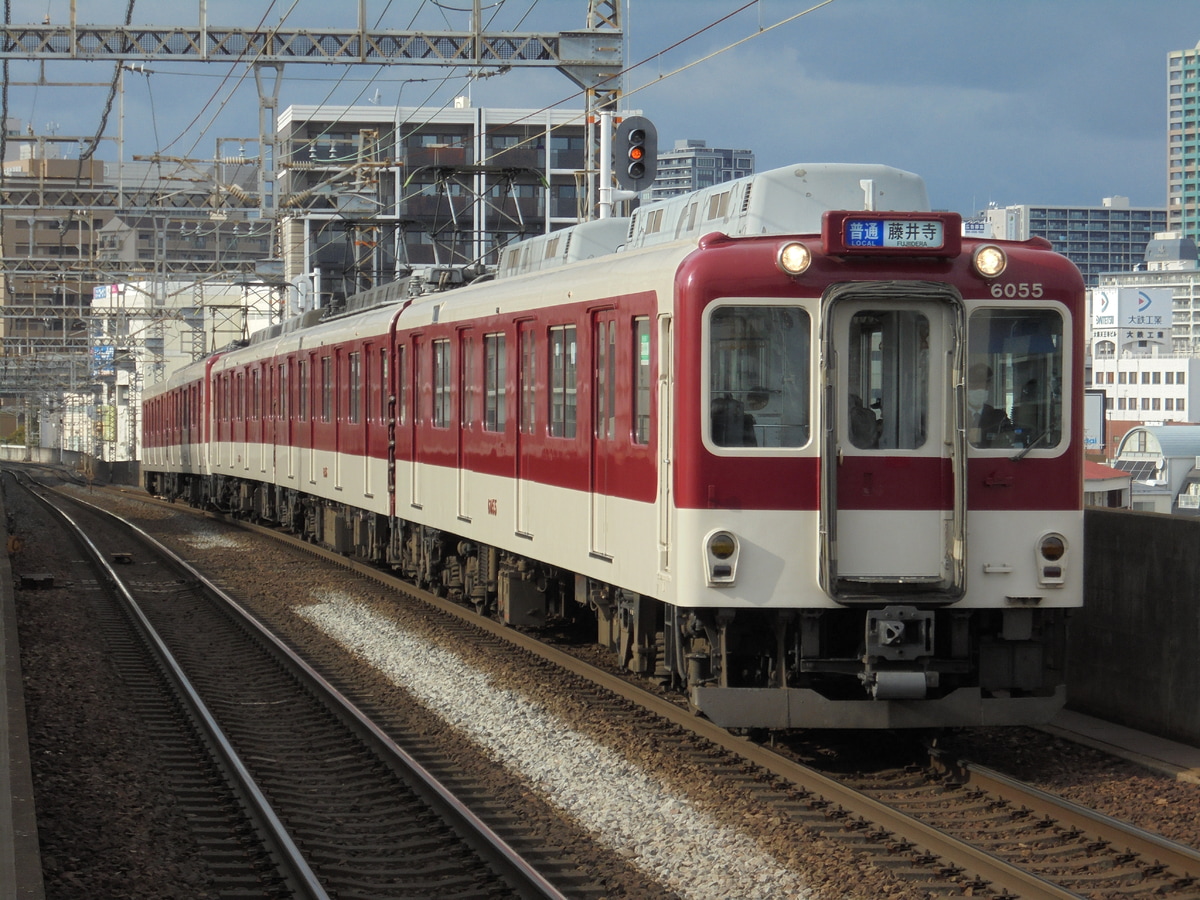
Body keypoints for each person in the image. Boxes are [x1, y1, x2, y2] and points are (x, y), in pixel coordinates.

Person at [966, 363, 1013, 447]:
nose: (980, 390)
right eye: (975, 386)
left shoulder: (999, 418)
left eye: (985, 387)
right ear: (967, 388)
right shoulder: (957, 415)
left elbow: (1008, 444)